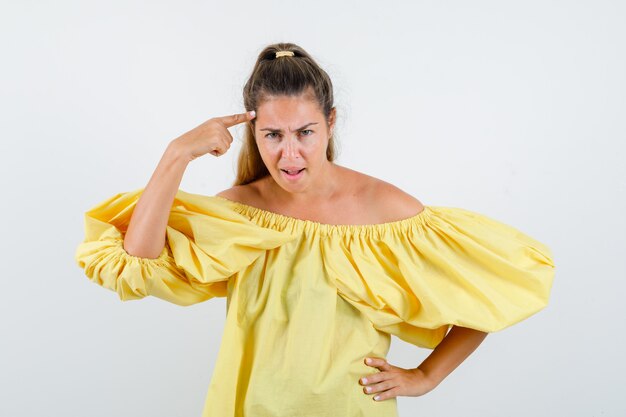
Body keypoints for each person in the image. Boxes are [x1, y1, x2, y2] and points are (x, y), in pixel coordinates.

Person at [74, 42, 556, 417]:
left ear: (329, 123)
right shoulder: (239, 213)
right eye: (273, 135)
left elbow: (500, 286)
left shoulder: (385, 210)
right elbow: (133, 267)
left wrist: (425, 376)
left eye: (305, 132)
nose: (290, 154)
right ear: (253, 133)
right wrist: (177, 153)